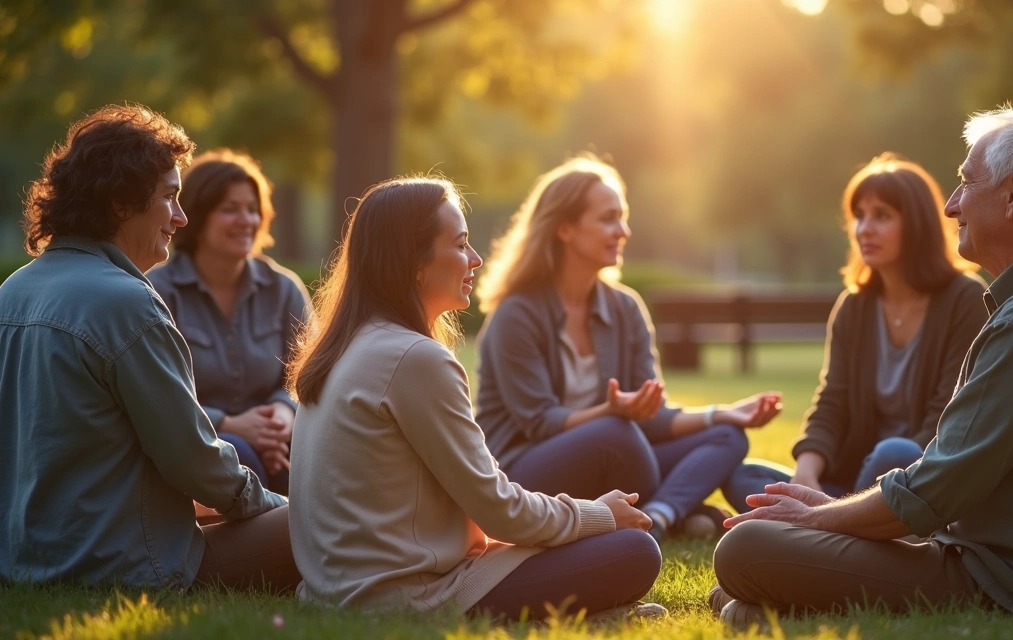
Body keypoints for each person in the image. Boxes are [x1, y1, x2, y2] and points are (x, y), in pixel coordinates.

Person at [710, 102, 1013, 624]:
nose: (952, 205)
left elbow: (933, 492)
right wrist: (823, 509)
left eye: (966, 182)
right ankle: (772, 607)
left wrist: (815, 519)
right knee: (764, 536)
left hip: (1008, 581)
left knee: (743, 550)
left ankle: (773, 603)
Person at [286, 176, 665, 619]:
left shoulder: (348, 345)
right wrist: (598, 514)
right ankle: (584, 616)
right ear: (414, 261)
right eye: (461, 244)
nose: (476, 258)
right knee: (635, 550)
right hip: (407, 595)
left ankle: (590, 616)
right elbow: (500, 512)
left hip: (338, 589)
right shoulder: (414, 358)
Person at [0, 105, 296, 592]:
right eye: (170, 197)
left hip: (27, 557)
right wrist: (271, 506)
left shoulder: (13, 290)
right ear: (122, 203)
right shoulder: (127, 303)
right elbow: (192, 459)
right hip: (121, 564)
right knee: (323, 523)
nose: (181, 217)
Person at [475, 155, 782, 542]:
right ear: (565, 228)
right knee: (616, 433)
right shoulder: (516, 314)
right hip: (525, 471)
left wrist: (722, 413)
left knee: (727, 436)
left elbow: (650, 416)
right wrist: (612, 412)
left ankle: (657, 515)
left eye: (623, 218)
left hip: (620, 456)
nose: (623, 231)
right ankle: (677, 510)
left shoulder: (626, 308)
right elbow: (539, 421)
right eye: (608, 219)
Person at [722, 154, 987, 510]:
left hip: (918, 477)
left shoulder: (964, 299)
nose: (865, 229)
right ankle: (834, 522)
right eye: (859, 216)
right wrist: (805, 475)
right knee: (747, 476)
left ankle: (826, 522)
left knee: (895, 452)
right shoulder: (853, 305)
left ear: (917, 224)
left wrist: (831, 505)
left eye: (882, 216)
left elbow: (946, 419)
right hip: (851, 482)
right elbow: (832, 401)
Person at [149, 149, 311, 495]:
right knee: (240, 453)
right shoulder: (157, 292)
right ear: (197, 216)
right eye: (230, 209)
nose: (246, 220)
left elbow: (311, 371)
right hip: (195, 445)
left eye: (252, 209)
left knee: (314, 455)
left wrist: (283, 414)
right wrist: (230, 424)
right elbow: (155, 394)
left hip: (281, 438)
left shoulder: (283, 288)